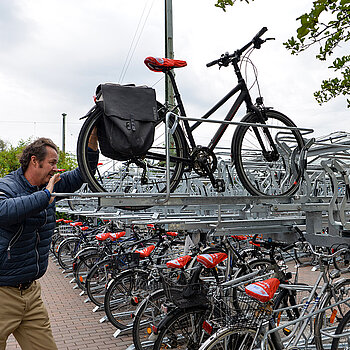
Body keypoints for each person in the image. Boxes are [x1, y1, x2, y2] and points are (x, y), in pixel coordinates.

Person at [0, 135, 98, 349]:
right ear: (34, 161)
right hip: (2, 294)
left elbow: (85, 171)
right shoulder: (8, 185)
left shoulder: (49, 186)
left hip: (31, 293)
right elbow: (4, 211)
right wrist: (46, 195)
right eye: (52, 163)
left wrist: (92, 138)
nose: (56, 168)